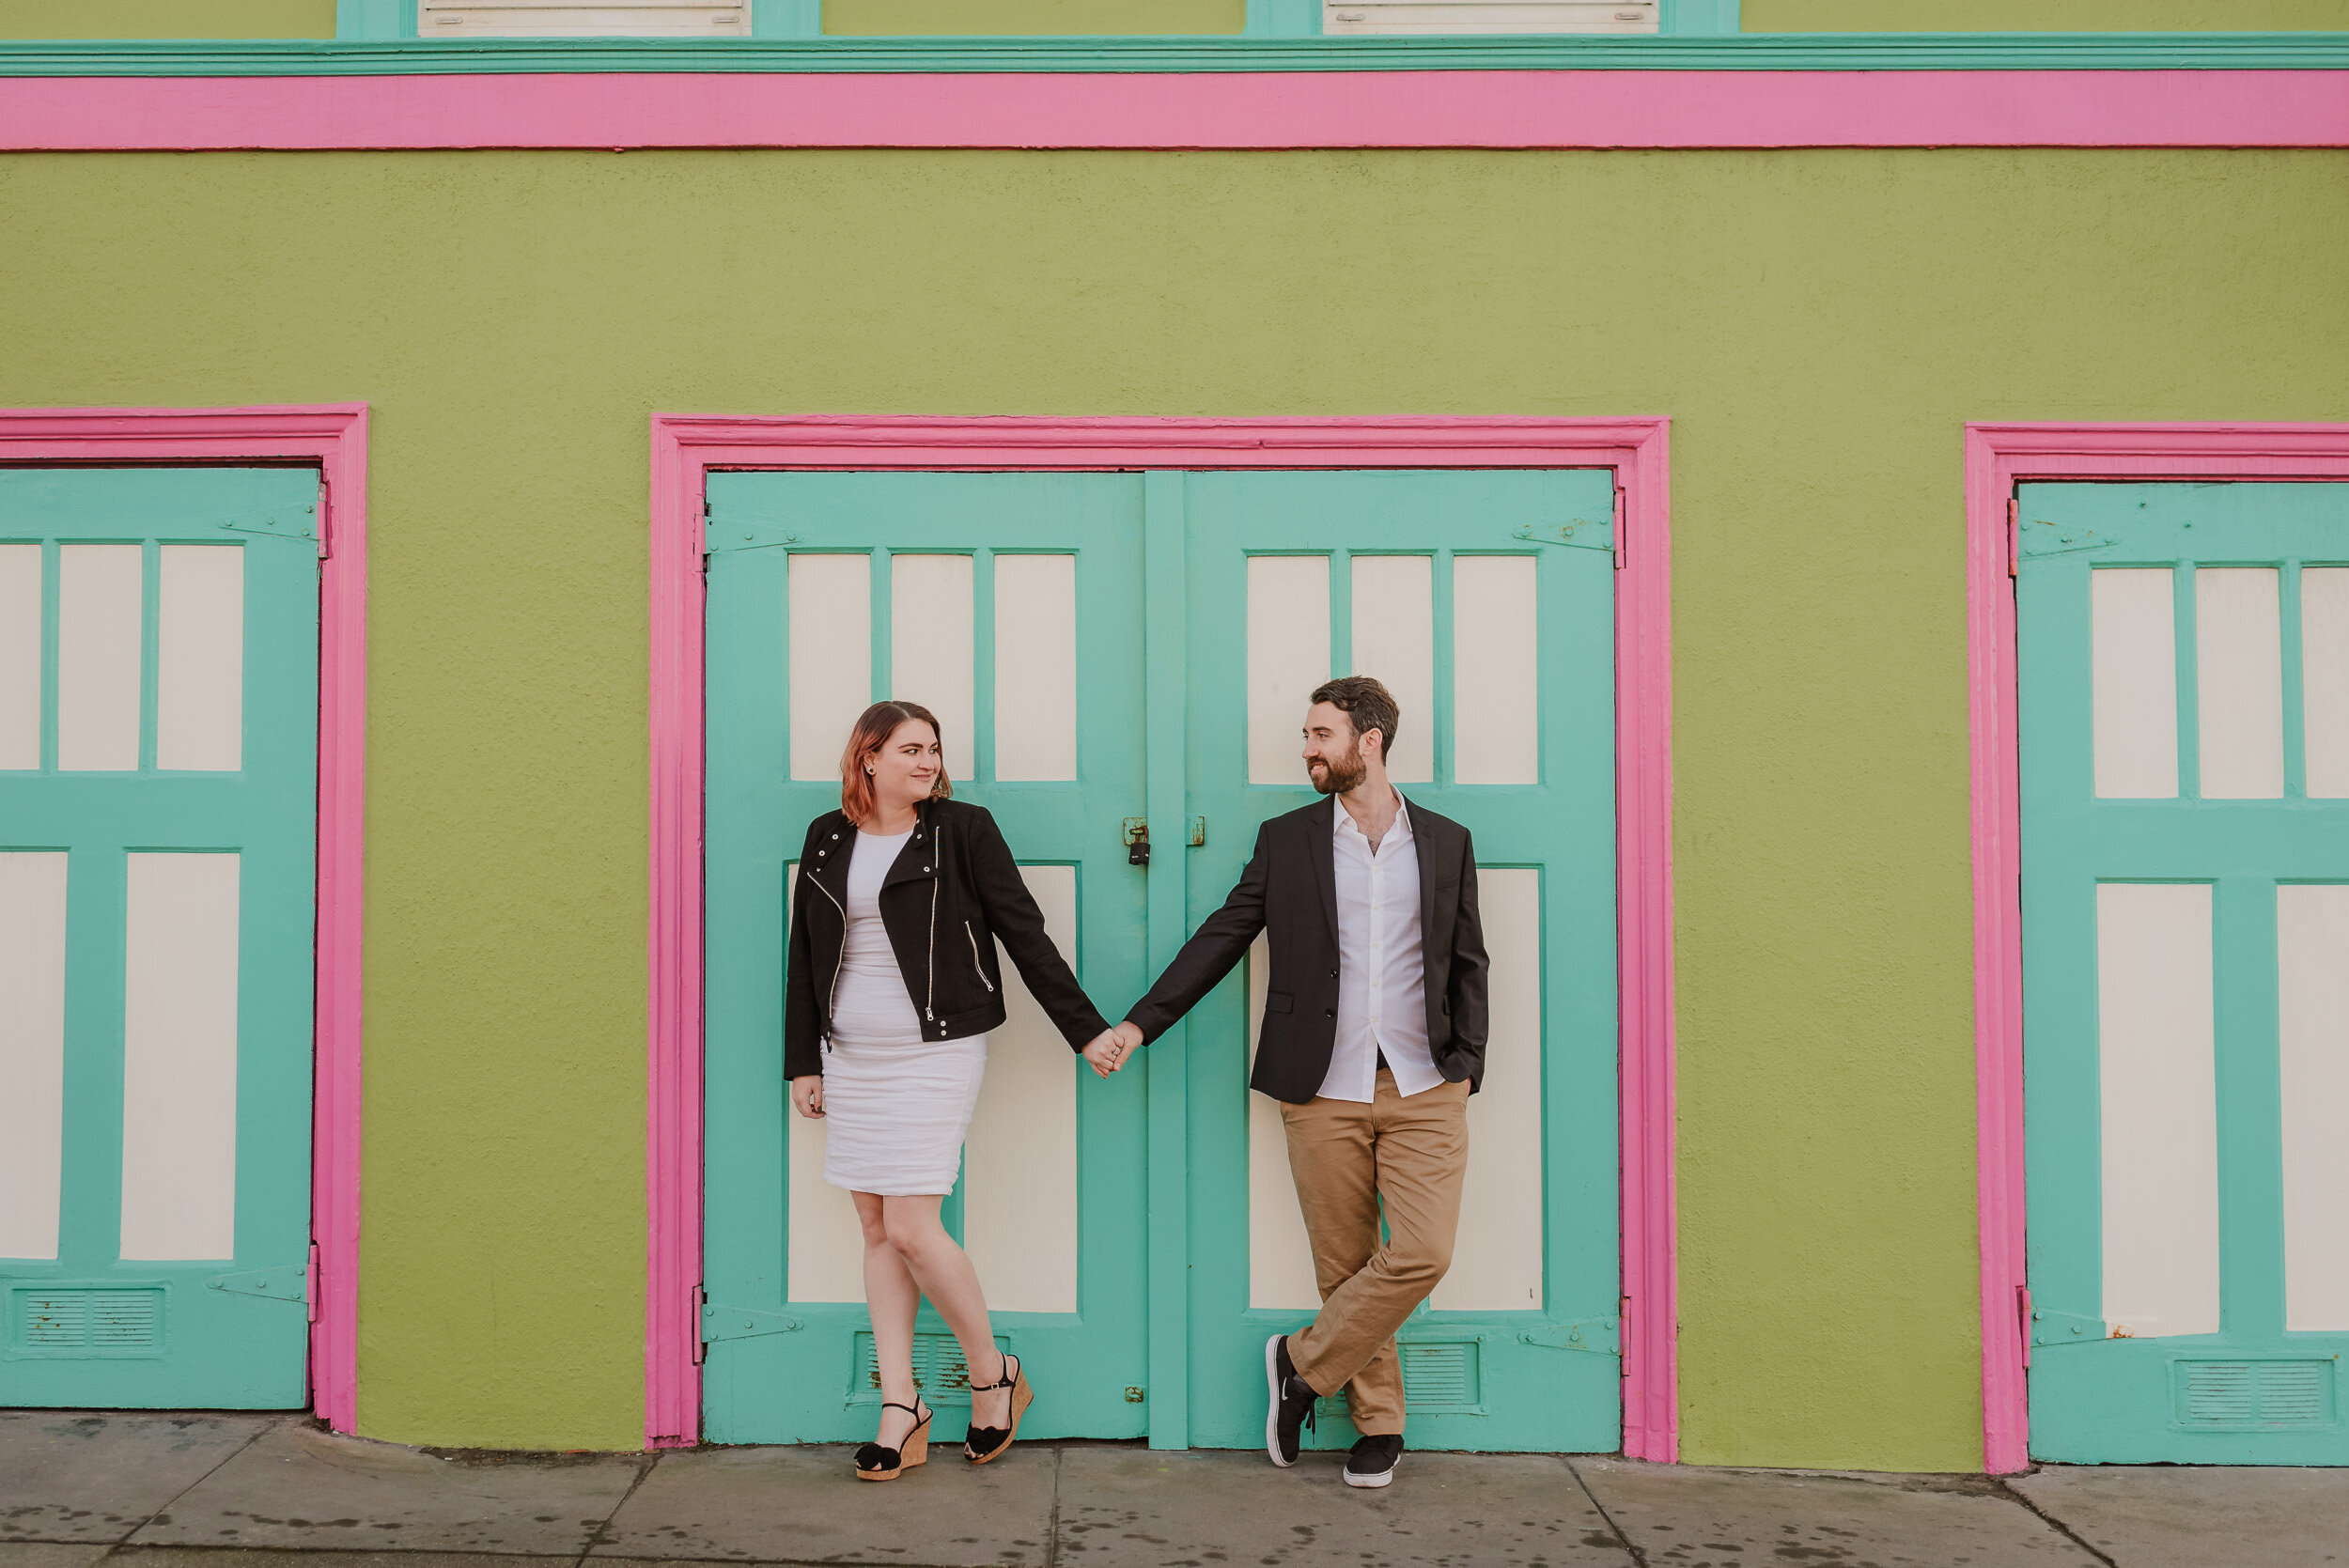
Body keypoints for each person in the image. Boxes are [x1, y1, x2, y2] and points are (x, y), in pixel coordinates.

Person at [1086, 676, 1489, 1490]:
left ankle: (1301, 1365)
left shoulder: (1445, 840)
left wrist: (1469, 1059)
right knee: (1343, 1265)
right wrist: (1139, 1022)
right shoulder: (1289, 839)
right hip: (1321, 1083)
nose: (1306, 748)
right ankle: (1378, 1425)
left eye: (1320, 734)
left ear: (1368, 740)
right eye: (1306, 735)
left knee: (1421, 1251)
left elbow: (1469, 956)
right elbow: (1223, 936)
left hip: (1424, 1081)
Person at [786, 700, 1118, 1480]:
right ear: (868, 757)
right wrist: (804, 1059)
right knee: (874, 1223)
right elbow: (804, 953)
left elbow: (1023, 932)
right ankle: (900, 1406)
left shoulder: (961, 830)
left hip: (934, 1052)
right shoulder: (827, 837)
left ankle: (990, 1372)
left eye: (933, 748)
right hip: (852, 1057)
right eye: (910, 748)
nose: (928, 760)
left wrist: (1086, 1029)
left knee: (909, 1223)